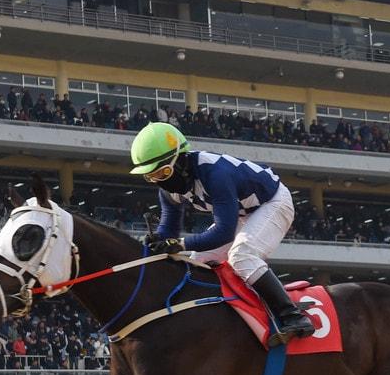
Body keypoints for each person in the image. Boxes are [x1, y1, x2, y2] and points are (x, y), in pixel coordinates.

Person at [129, 121, 315, 345]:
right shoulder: (168, 191)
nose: (162, 182)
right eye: (152, 177)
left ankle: (292, 316)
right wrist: (158, 240)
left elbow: (223, 233)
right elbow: (169, 229)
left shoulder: (215, 175)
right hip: (243, 212)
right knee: (197, 261)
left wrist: (178, 244)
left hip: (274, 202)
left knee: (241, 255)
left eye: (164, 172)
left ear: (179, 160)